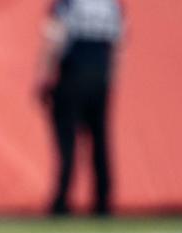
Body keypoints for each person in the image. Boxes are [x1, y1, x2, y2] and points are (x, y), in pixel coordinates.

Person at [36, 0, 124, 217]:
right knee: (99, 141)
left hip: (73, 74)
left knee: (67, 141)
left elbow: (54, 37)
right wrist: (110, 80)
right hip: (100, 77)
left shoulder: (69, 3)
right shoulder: (111, 4)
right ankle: (103, 200)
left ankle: (62, 200)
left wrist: (44, 78)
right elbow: (117, 45)